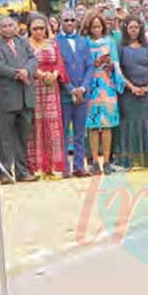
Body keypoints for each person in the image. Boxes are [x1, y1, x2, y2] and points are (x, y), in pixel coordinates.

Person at [0, 16, 39, 183]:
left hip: (25, 96)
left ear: (16, 27)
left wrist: (27, 71)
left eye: (10, 25)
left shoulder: (23, 42)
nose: (7, 29)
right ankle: (4, 172)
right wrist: (17, 73)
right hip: (7, 97)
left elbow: (33, 59)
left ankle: (22, 171)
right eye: (3, 26)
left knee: (23, 136)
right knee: (4, 137)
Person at [25, 13, 67, 178]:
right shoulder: (26, 45)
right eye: (35, 28)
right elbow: (25, 63)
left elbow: (59, 62)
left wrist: (55, 74)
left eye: (42, 28)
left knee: (52, 124)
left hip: (51, 88)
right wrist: (41, 75)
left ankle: (53, 165)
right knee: (35, 126)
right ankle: (36, 165)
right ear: (29, 29)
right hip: (33, 87)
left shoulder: (53, 43)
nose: (39, 31)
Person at [83, 12, 124, 175]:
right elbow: (83, 64)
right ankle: (94, 161)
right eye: (93, 27)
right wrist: (94, 63)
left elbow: (116, 63)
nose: (96, 30)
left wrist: (111, 65)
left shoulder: (110, 42)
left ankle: (107, 160)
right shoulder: (85, 43)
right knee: (93, 125)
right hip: (91, 85)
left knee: (107, 124)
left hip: (106, 84)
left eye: (99, 26)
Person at [118, 15, 148, 168]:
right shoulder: (121, 47)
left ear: (140, 28)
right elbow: (119, 71)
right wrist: (131, 87)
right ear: (126, 29)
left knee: (147, 124)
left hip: (146, 91)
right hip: (129, 94)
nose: (134, 30)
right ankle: (131, 160)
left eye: (136, 27)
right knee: (131, 125)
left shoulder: (147, 46)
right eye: (131, 27)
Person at [54, 10, 93, 178]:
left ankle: (79, 166)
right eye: (66, 20)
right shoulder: (55, 42)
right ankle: (65, 167)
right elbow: (57, 67)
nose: (69, 23)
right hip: (65, 94)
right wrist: (70, 89)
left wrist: (83, 88)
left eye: (72, 20)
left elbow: (90, 66)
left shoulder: (83, 41)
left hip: (82, 94)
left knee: (79, 132)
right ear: (61, 22)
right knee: (63, 132)